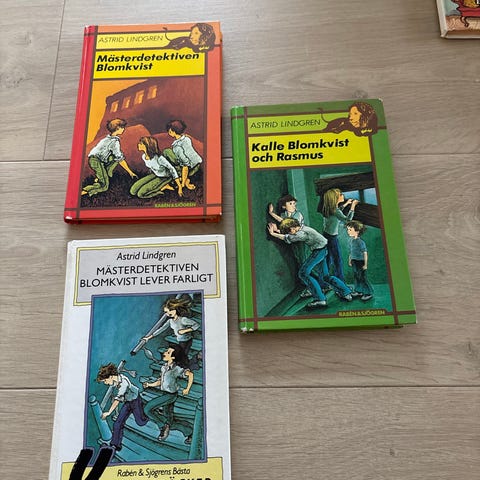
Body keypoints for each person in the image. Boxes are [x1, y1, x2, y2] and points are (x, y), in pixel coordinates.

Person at [268, 218, 353, 309]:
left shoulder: (301, 234)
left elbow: (289, 238)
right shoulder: (302, 228)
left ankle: (320, 299)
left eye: (289, 230)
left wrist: (273, 234)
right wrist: (278, 230)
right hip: (323, 250)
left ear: (292, 228)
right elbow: (291, 234)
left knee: (303, 273)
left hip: (319, 252)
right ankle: (346, 292)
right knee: (325, 276)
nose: (290, 232)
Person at [143, 345, 194, 444]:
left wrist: (187, 389)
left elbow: (190, 375)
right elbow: (160, 381)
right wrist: (149, 384)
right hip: (165, 393)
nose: (165, 353)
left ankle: (162, 426)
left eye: (168, 352)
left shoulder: (177, 369)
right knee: (170, 422)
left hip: (170, 395)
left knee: (147, 409)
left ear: (173, 357)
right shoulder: (164, 368)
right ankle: (190, 432)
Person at [97, 363, 148, 451]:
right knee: (118, 423)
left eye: (105, 381)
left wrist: (109, 412)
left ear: (111, 377)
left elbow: (117, 399)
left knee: (140, 422)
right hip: (128, 402)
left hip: (135, 400)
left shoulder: (124, 382)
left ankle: (147, 411)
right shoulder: (115, 381)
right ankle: (115, 445)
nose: (105, 383)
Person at [143, 294, 201, 370]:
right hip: (180, 340)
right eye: (166, 312)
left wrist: (185, 330)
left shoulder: (183, 320)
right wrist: (149, 337)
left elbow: (197, 325)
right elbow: (161, 329)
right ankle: (190, 363)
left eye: (169, 311)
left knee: (181, 357)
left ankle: (192, 362)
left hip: (187, 340)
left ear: (175, 310)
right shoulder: (170, 321)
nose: (167, 314)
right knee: (181, 357)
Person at [82, 118, 137, 196]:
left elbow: (116, 158)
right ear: (118, 128)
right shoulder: (114, 142)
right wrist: (130, 172)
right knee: (104, 186)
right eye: (122, 127)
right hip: (96, 161)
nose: (124, 129)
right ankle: (85, 191)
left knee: (114, 158)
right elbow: (120, 159)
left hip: (97, 160)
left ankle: (103, 176)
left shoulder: (107, 138)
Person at [321, 188, 359, 282]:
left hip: (326, 236)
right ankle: (340, 282)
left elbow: (338, 211)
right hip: (332, 238)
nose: (343, 195)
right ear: (335, 198)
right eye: (340, 194)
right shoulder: (335, 211)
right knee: (337, 261)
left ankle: (323, 283)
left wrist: (346, 204)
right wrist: (353, 206)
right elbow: (347, 220)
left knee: (327, 260)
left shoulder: (329, 209)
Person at [164, 120, 203, 192]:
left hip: (190, 169)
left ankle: (185, 180)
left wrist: (182, 184)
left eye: (170, 131)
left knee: (166, 152)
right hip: (197, 165)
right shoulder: (186, 139)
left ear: (174, 131)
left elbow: (185, 165)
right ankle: (185, 180)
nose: (169, 133)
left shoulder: (177, 147)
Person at [346, 220, 374, 301]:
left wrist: (365, 264)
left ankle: (368, 293)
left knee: (362, 277)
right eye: (348, 229)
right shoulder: (352, 241)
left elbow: (365, 253)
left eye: (350, 230)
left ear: (357, 231)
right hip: (354, 261)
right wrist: (350, 260)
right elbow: (351, 251)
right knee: (356, 276)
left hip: (360, 262)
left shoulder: (360, 242)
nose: (348, 231)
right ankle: (358, 291)